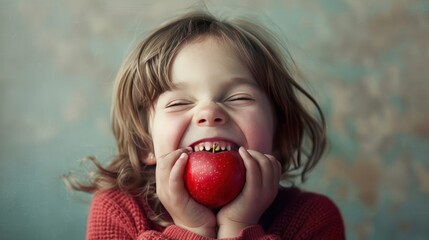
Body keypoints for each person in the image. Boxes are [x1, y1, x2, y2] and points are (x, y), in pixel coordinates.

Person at [66, 10, 345, 239]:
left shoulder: (313, 218)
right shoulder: (118, 211)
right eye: (179, 103)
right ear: (145, 144)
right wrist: (192, 230)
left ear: (279, 137)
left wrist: (239, 227)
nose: (209, 112)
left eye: (239, 97)